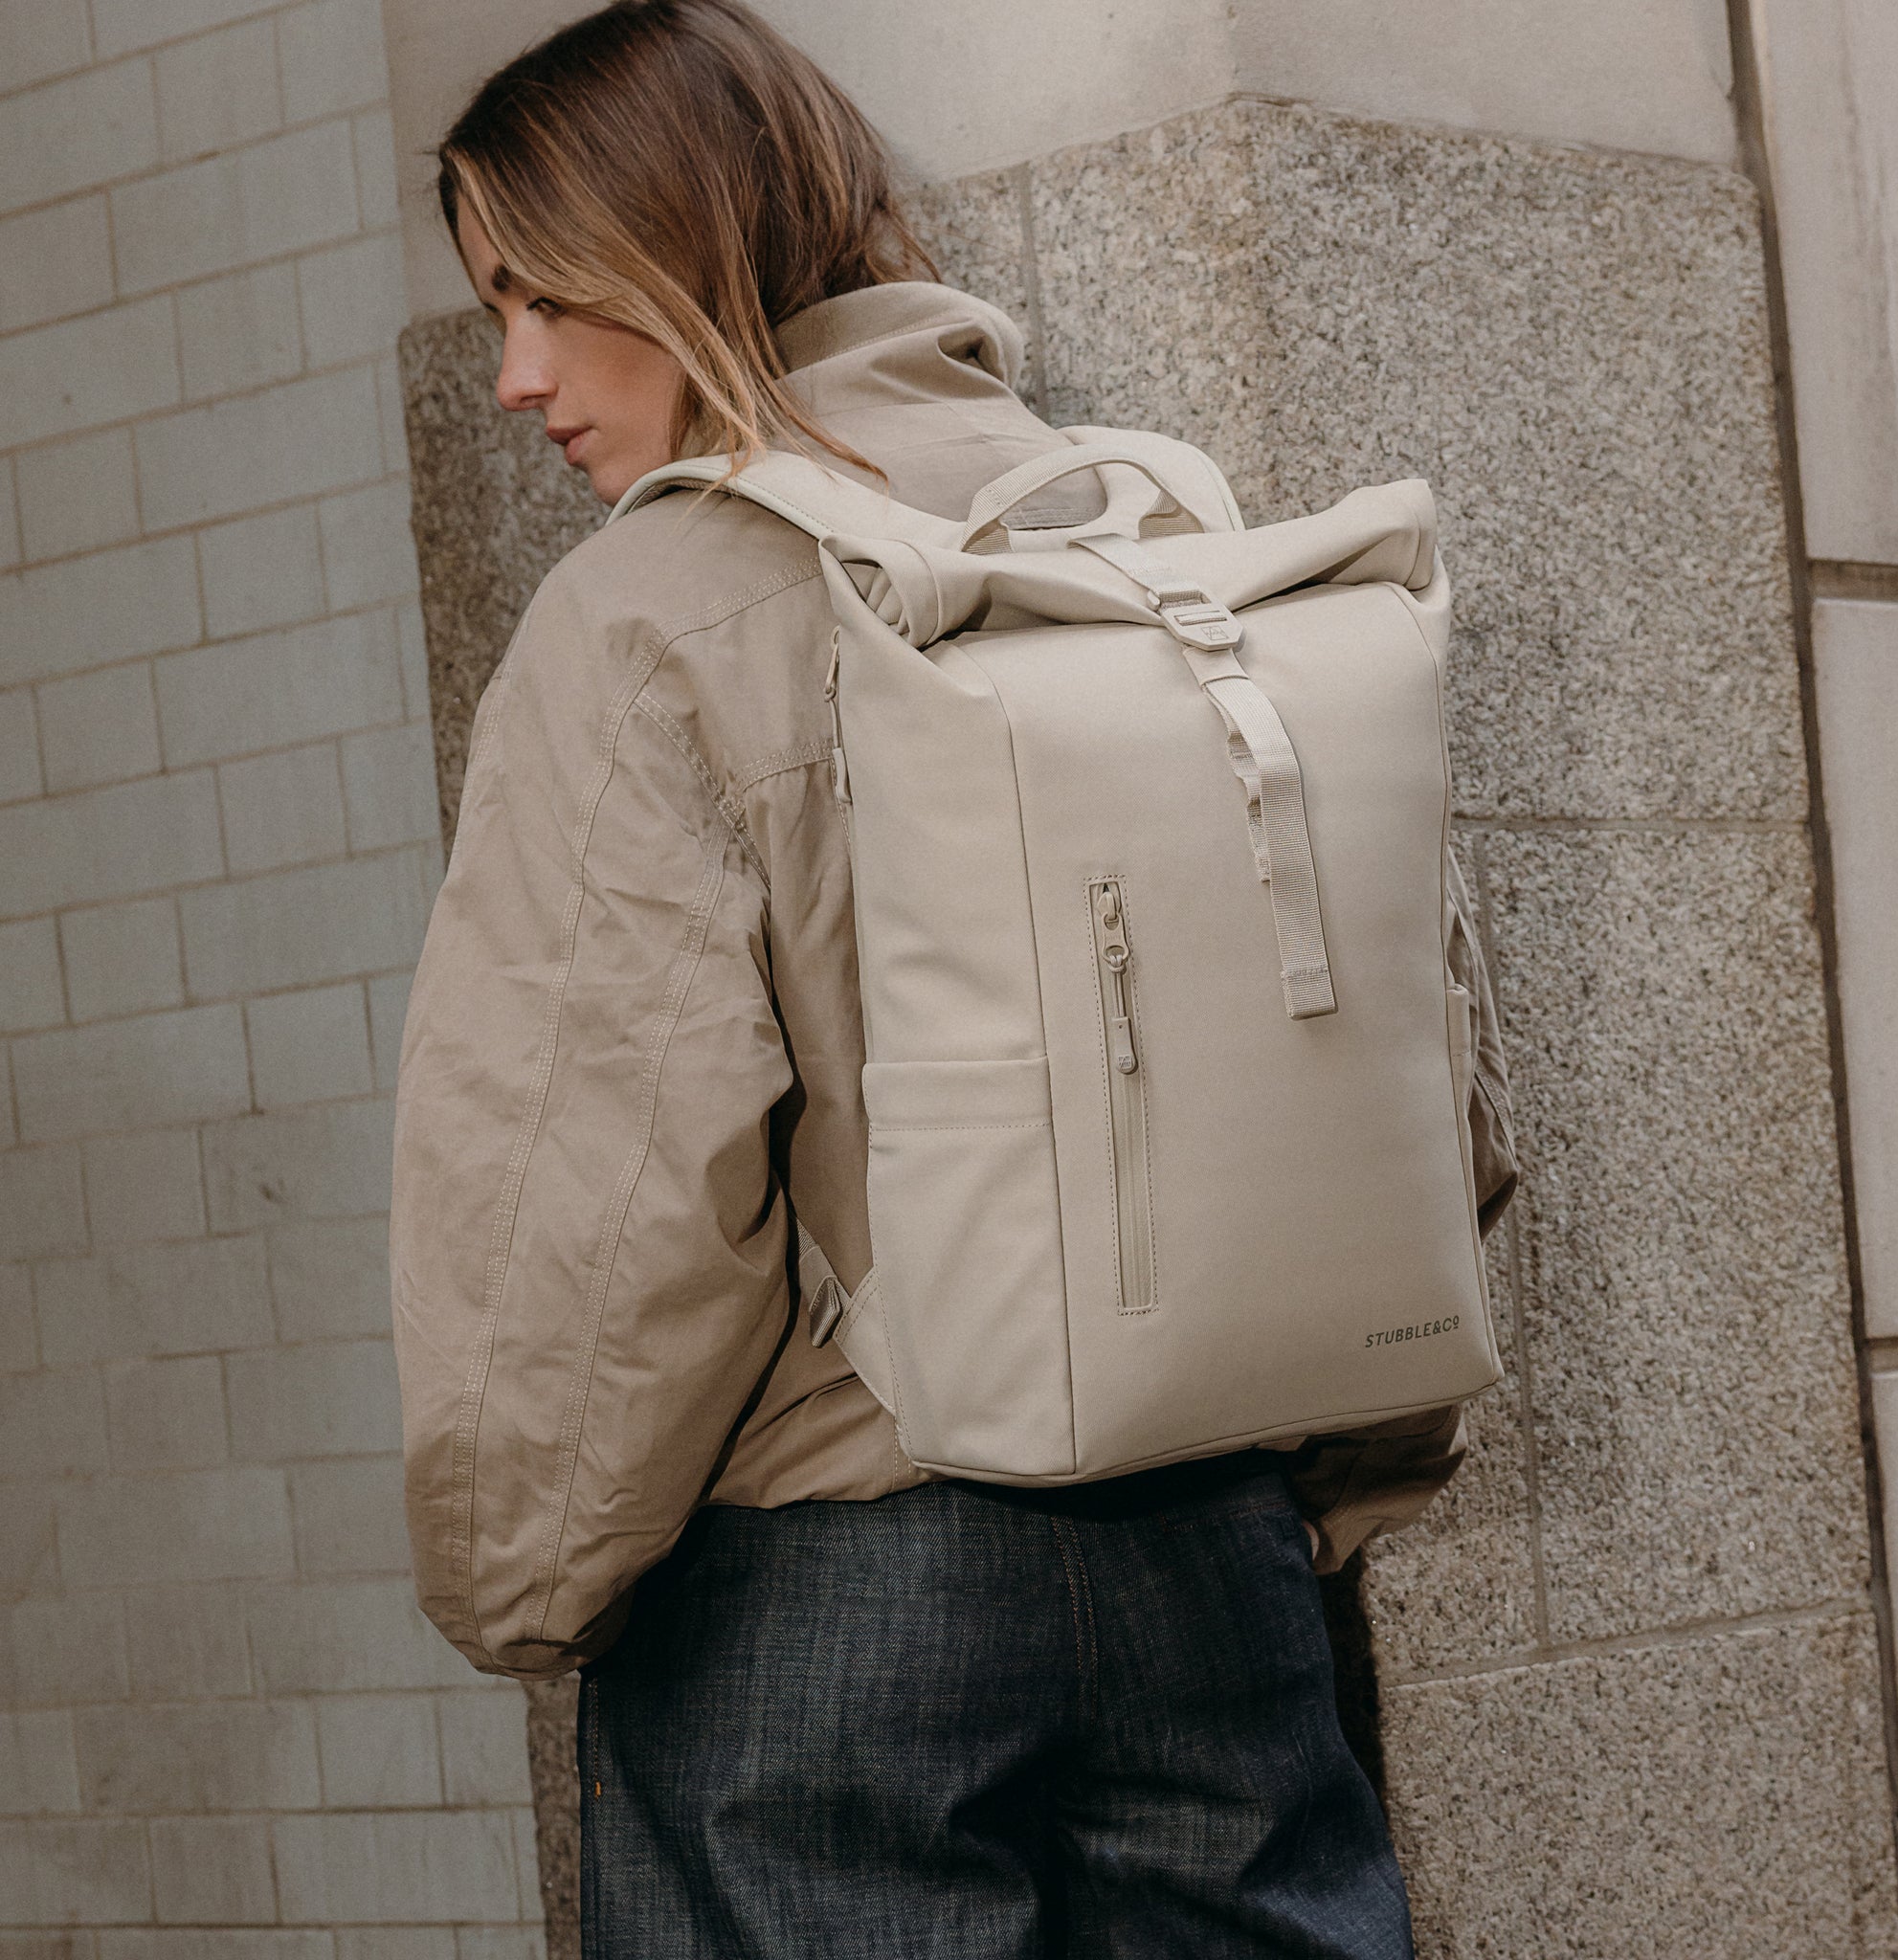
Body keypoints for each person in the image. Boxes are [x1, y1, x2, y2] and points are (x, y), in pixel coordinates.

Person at [391, 2, 1519, 1953]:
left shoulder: (649, 616)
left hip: (825, 1604)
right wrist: (1305, 1490)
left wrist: (526, 1588)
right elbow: (1425, 1062)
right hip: (1210, 1543)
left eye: (547, 299)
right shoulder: (1156, 543)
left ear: (684, 246)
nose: (514, 379)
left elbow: (592, 1205)